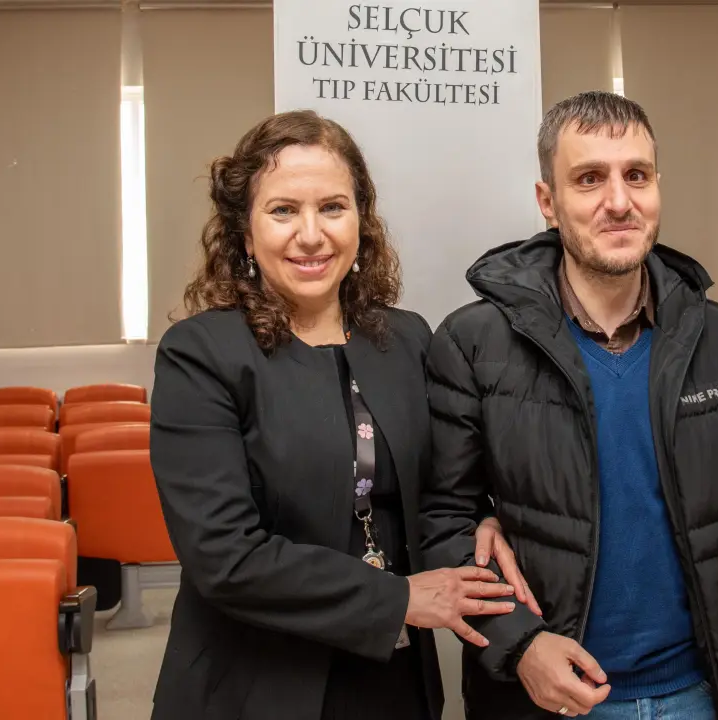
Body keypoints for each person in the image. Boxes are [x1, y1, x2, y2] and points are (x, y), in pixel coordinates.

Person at [420, 91, 718, 720]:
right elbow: (443, 521)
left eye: (636, 175)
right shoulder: (472, 345)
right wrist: (520, 645)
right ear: (548, 202)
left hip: (703, 697)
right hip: (549, 700)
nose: (618, 201)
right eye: (589, 179)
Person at [148, 110, 538, 720]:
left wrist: (481, 518)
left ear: (361, 221)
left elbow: (444, 485)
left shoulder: (407, 339)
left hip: (393, 680)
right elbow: (223, 556)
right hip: (256, 686)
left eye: (332, 207)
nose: (311, 235)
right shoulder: (200, 355)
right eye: (283, 211)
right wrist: (397, 598)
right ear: (245, 234)